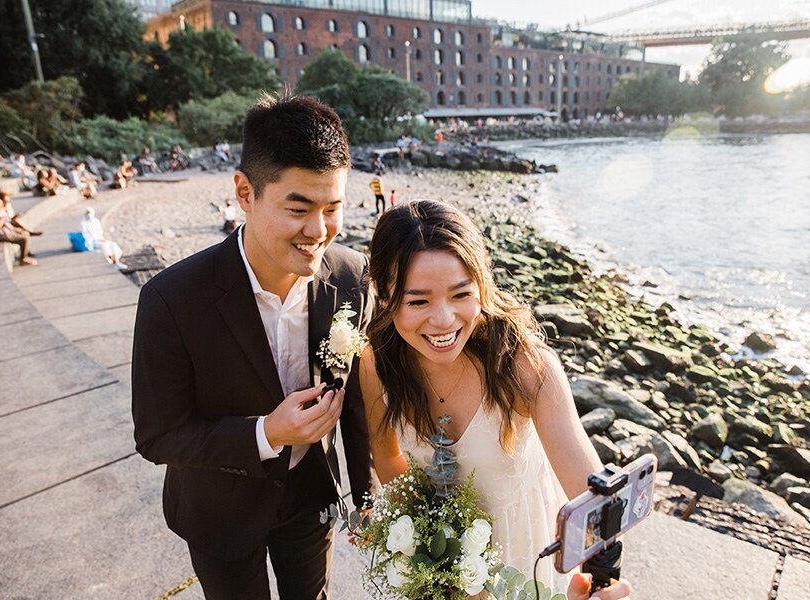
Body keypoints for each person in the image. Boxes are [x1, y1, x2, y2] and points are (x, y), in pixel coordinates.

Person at [131, 93, 373, 600]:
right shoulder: (171, 299)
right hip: (219, 509)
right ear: (245, 192)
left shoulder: (351, 274)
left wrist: (365, 493)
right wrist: (266, 433)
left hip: (312, 498)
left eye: (334, 208)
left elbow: (352, 395)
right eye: (299, 208)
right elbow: (158, 435)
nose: (319, 230)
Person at [360, 200, 633, 600]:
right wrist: (431, 551)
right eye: (418, 301)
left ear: (482, 286)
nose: (444, 320)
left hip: (526, 559)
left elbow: (589, 491)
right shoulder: (375, 364)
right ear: (384, 296)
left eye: (460, 295)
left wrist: (601, 579)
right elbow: (387, 458)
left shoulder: (524, 366)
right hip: (442, 570)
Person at [0, 196, 37, 266]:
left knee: (24, 234)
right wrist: (3, 219)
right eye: (0, 203)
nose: (1, 205)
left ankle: (26, 254)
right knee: (24, 239)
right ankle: (23, 259)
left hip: (2, 233)